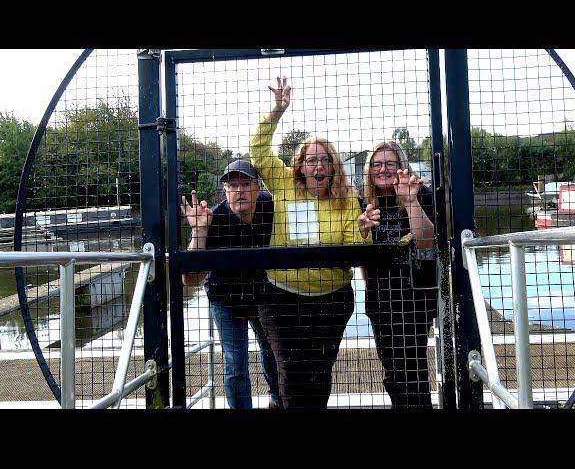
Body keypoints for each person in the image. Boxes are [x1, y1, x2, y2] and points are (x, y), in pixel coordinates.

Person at [249, 76, 373, 409]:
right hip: (280, 298)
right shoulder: (285, 184)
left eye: (324, 160)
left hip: (331, 301)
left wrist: (362, 232)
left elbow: (354, 250)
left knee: (319, 372)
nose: (318, 165)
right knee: (290, 372)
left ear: (334, 167)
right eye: (310, 160)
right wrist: (277, 111)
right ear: (300, 166)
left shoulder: (347, 200)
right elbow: (258, 152)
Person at [181, 160, 282, 409]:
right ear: (225, 191)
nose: (239, 191)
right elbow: (189, 279)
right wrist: (199, 233)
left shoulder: (274, 208)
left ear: (258, 188)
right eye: (233, 185)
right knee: (235, 362)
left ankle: (277, 401)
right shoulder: (213, 218)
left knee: (274, 352)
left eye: (246, 184)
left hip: (264, 294)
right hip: (226, 298)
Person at [359, 140, 437, 408]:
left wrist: (411, 201)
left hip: (414, 298)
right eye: (377, 164)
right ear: (369, 171)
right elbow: (363, 257)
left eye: (390, 163)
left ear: (401, 165)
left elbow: (426, 241)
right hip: (381, 299)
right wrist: (362, 230)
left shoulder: (421, 193)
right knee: (392, 372)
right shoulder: (365, 202)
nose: (383, 169)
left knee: (411, 369)